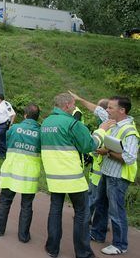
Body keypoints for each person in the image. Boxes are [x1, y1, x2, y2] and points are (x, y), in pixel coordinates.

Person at [41, 93, 113, 258]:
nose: (74, 108)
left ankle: (52, 248)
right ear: (66, 105)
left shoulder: (45, 122)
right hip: (73, 178)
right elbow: (90, 145)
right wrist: (101, 131)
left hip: (53, 177)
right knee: (82, 214)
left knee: (55, 211)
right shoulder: (73, 123)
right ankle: (83, 253)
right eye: (73, 105)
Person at [0, 103, 41, 243]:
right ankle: (23, 236)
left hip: (11, 171)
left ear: (25, 115)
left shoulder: (14, 128)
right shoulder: (40, 132)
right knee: (27, 205)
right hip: (29, 174)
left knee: (5, 201)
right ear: (37, 118)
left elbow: (7, 142)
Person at [90, 96, 138, 255]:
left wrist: (107, 151)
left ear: (122, 110)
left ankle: (120, 244)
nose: (107, 111)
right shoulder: (113, 123)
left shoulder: (129, 131)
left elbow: (130, 157)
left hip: (118, 177)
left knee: (116, 210)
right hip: (107, 171)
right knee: (100, 204)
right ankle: (97, 233)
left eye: (110, 108)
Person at [68, 91, 110, 219]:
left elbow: (97, 110)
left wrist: (80, 99)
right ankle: (98, 221)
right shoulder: (107, 124)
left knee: (95, 195)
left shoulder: (108, 120)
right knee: (97, 196)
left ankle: (86, 218)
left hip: (102, 168)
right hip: (99, 167)